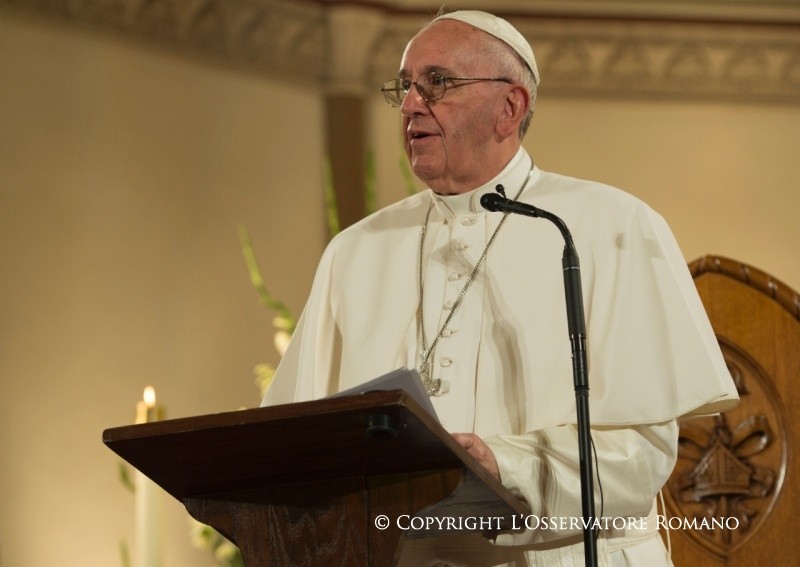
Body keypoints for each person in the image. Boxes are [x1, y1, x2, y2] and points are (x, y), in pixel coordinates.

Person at [261, 9, 739, 566]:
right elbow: (302, 443)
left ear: (509, 107)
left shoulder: (611, 226)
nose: (412, 104)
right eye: (406, 87)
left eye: (437, 83)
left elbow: (644, 455)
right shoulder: (356, 250)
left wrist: (503, 467)